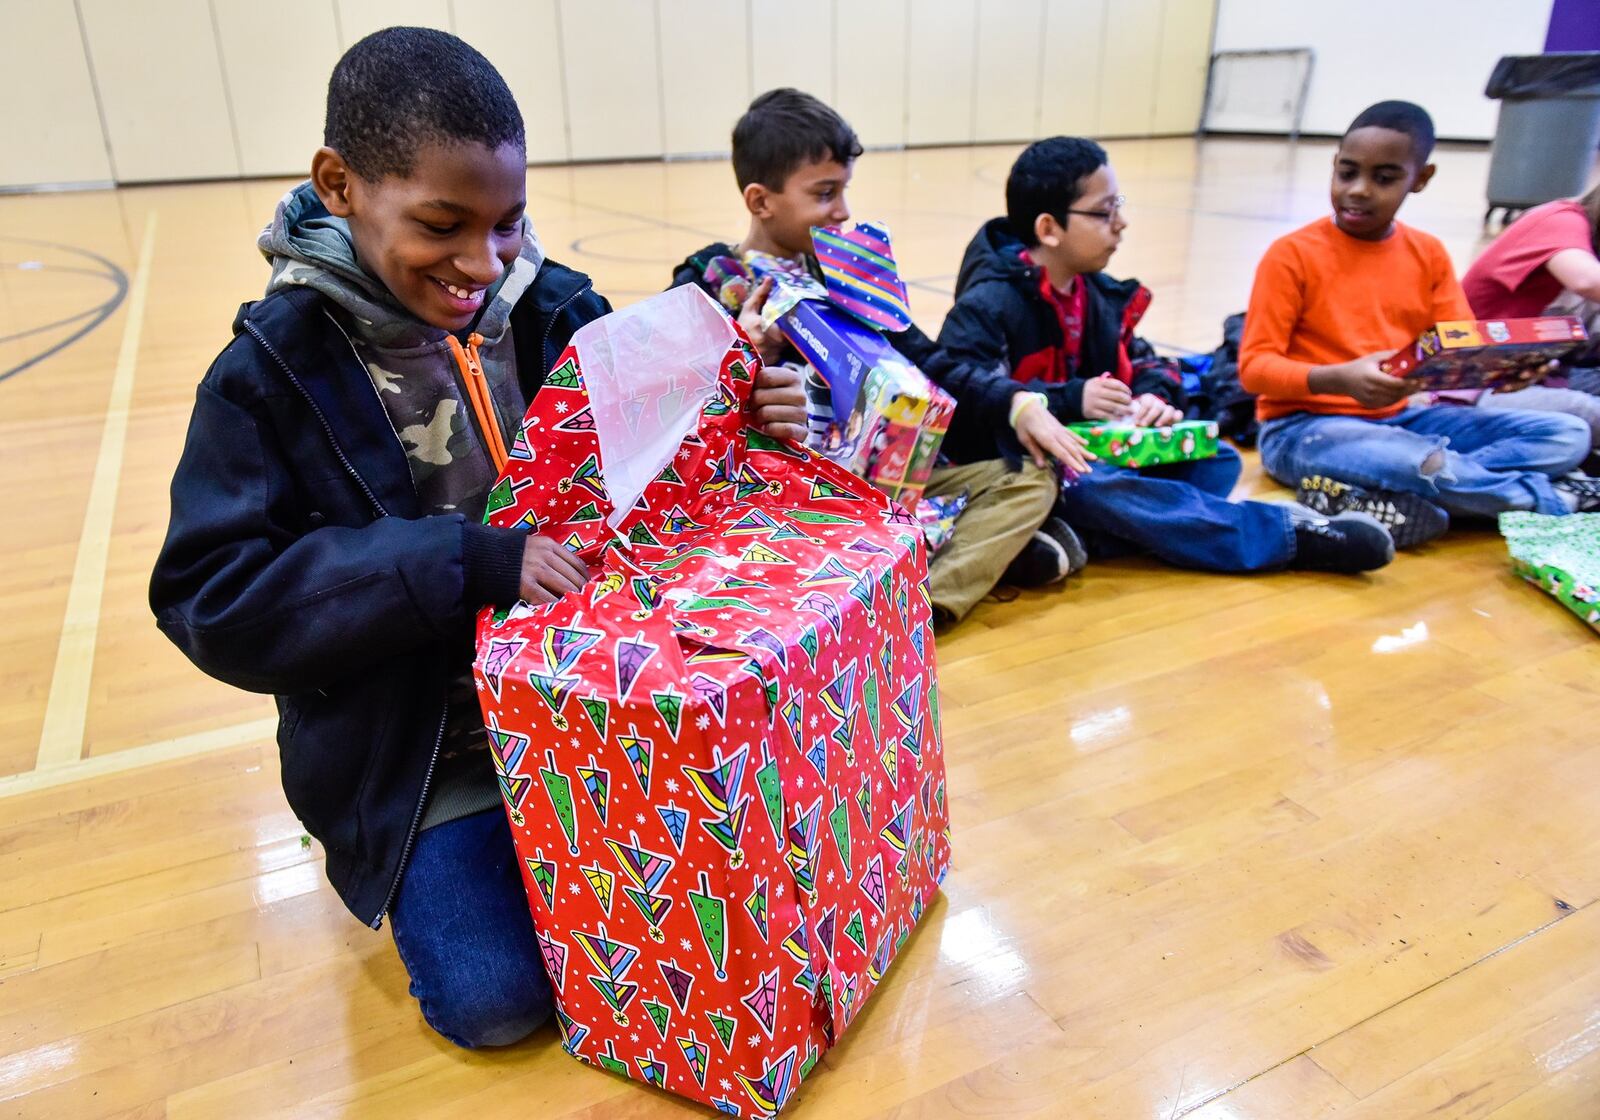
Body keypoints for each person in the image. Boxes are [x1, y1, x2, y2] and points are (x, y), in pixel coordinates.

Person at [148, 28, 806, 1049]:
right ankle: (429, 863)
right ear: (340, 184)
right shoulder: (270, 372)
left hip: (591, 707)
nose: (480, 261)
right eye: (442, 224)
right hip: (423, 751)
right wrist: (462, 563)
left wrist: (744, 415)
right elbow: (212, 598)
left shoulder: (554, 310)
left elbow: (646, 484)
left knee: (757, 889)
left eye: (507, 223)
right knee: (498, 1002)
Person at [670, 89, 1088, 624]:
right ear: (760, 200)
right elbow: (669, 417)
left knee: (1030, 479)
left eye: (844, 190)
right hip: (777, 501)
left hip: (878, 481)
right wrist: (736, 357)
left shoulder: (849, 274)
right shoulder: (706, 283)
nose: (843, 211)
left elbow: (929, 359)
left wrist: (1017, 403)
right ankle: (900, 571)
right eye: (824, 194)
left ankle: (917, 605)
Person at [936, 136, 1395, 575]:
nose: (1121, 223)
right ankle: (1289, 537)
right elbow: (969, 412)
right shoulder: (987, 305)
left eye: (1119, 204)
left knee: (1216, 460)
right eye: (1102, 212)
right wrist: (1071, 399)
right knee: (1094, 487)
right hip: (1028, 472)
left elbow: (1148, 362)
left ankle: (1070, 540)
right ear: (1048, 229)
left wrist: (1152, 397)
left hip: (1098, 457)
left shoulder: (1093, 290)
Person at [1240, 100, 1598, 546]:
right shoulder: (1291, 254)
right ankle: (1553, 500)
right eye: (1347, 173)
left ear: (1421, 179)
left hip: (1408, 420)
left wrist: (1508, 370)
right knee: (1420, 464)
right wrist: (1341, 379)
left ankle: (1403, 493)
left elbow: (1462, 346)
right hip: (1303, 430)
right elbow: (1254, 369)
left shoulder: (1426, 253)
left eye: (1384, 178)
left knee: (1567, 433)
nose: (1359, 190)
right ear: (1334, 165)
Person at [1461, 182, 1600, 459]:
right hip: (1475, 387)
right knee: (1587, 413)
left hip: (1547, 378)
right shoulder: (1559, 220)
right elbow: (1586, 280)